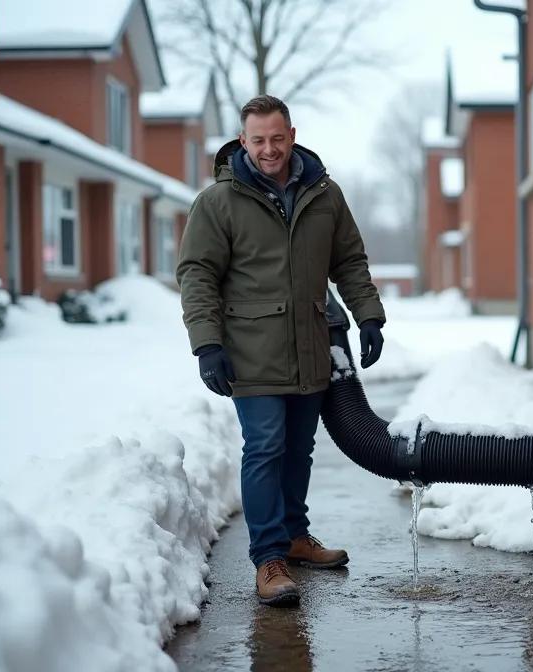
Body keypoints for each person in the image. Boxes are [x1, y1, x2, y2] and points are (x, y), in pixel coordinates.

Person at [176, 94, 387, 608]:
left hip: (310, 343)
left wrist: (369, 316)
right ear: (242, 141)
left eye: (277, 138)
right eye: (258, 140)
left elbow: (350, 261)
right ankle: (268, 557)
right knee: (265, 447)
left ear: (291, 134)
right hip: (250, 351)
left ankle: (295, 534)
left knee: (299, 448)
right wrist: (207, 344)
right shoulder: (217, 202)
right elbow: (196, 273)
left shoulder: (324, 193)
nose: (268, 149)